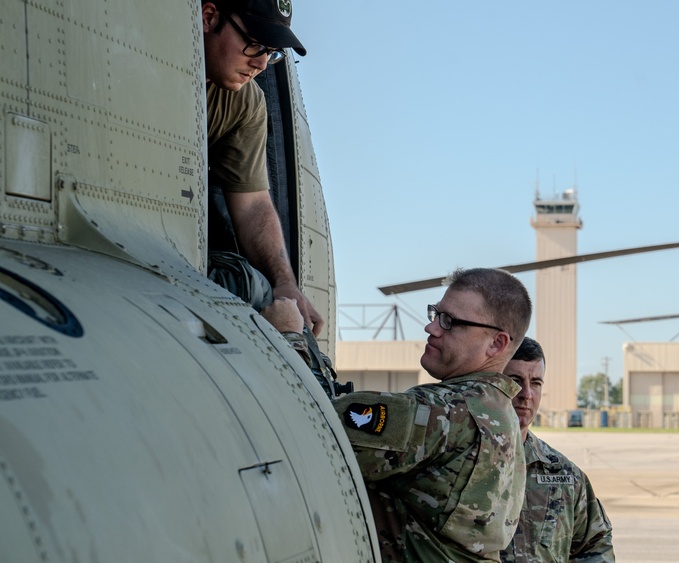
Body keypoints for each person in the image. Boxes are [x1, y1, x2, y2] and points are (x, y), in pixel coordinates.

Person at [334, 268, 532, 562]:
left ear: (496, 343)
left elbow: (313, 425)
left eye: (450, 322)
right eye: (435, 314)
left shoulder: (447, 410)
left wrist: (292, 338)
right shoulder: (498, 411)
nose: (432, 328)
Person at [201, 0, 323, 335]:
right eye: (254, 43)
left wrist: (286, 285)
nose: (261, 63)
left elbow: (252, 203)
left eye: (272, 51)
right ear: (208, 17)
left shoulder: (246, 102)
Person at [500, 337, 615, 562]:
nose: (527, 394)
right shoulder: (459, 461)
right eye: (515, 380)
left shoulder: (564, 475)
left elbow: (595, 544)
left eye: (535, 383)